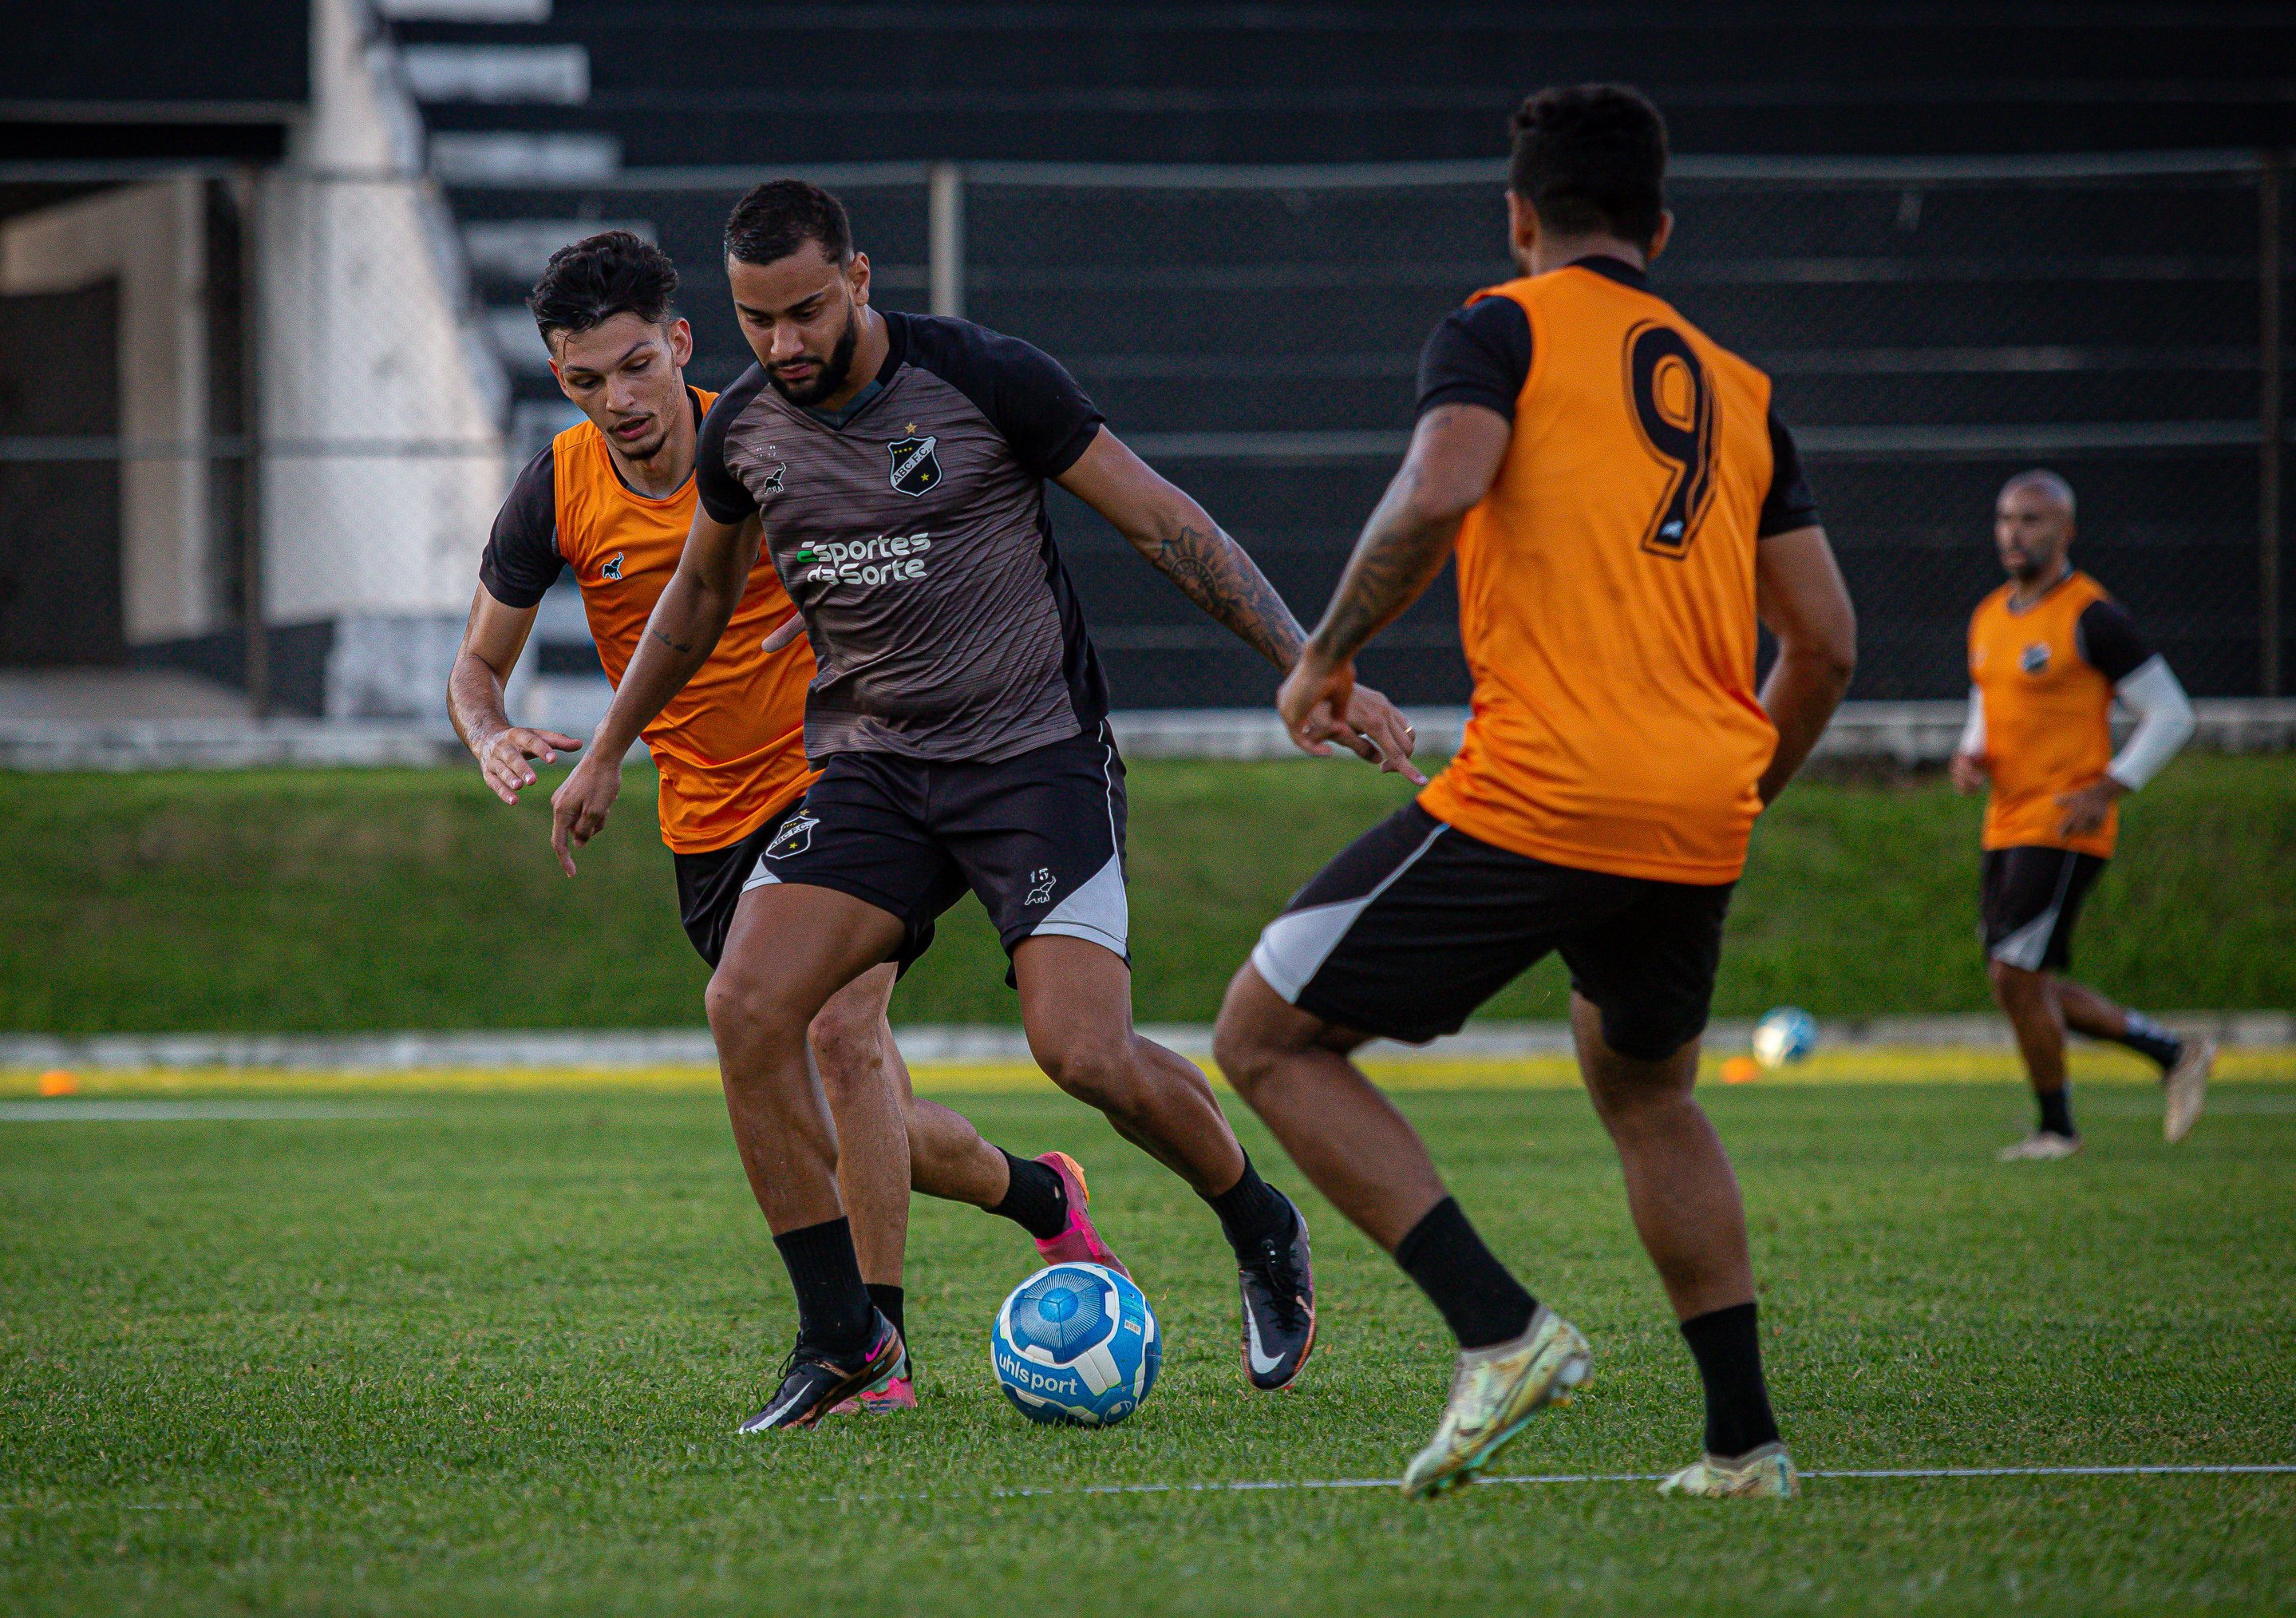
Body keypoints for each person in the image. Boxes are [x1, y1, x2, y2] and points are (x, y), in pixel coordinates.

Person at [549, 182, 1425, 1433]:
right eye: (758, 322)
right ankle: (846, 1337)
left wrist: (1307, 657)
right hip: (875, 771)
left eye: (806, 311)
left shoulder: (986, 378)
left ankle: (1260, 1221)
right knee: (748, 1002)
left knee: (1082, 1052)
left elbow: (1166, 520)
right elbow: (692, 603)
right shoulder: (744, 430)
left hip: (1032, 759)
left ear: (858, 276)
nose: (786, 345)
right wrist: (604, 752)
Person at [1210, 85, 1857, 1501]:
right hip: (1696, 811)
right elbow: (1827, 641)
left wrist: (1323, 659)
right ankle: (1745, 1445)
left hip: (1547, 790)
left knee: (1264, 1036)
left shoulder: (1499, 322)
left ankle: (1498, 1328)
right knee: (1647, 1089)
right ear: (1662, 229)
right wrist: (1736, 786)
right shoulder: (1740, 390)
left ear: (1520, 218)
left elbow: (1442, 489)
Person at [445, 231, 1133, 1417]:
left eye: (633, 369)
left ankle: (879, 1349)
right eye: (584, 381)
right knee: (843, 1110)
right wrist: (491, 732)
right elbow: (476, 664)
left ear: (679, 345)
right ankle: (1037, 1194)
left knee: (843, 1036)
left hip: (849, 782)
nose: (617, 402)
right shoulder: (558, 487)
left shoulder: (774, 434)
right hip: (707, 832)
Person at [1952, 469, 2209, 1161]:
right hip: (2004, 819)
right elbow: (1989, 698)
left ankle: (2057, 1128)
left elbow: (2172, 713)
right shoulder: (1987, 615)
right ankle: (2173, 1051)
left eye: (2032, 519)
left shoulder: (2093, 615)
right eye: (2006, 518)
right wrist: (1971, 753)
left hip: (2065, 821)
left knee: (2014, 975)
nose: (2015, 531)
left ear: (2066, 531)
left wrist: (2111, 786)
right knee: (2021, 983)